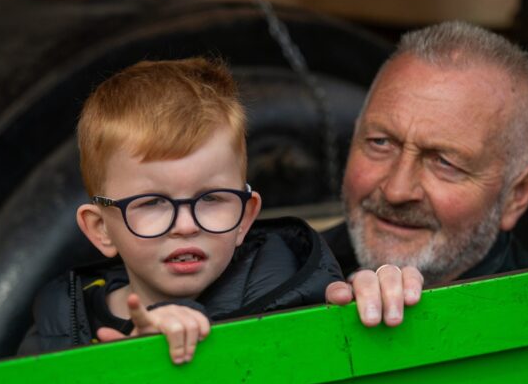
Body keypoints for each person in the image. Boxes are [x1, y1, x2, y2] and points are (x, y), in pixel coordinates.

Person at [18, 57, 352, 364]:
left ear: (244, 218)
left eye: (211, 199)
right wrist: (131, 366)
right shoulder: (58, 327)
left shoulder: (301, 298)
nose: (186, 225)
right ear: (100, 228)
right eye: (151, 202)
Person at [325, 21, 528, 322]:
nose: (396, 191)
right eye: (380, 142)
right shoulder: (291, 273)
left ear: (516, 195)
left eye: (444, 162)